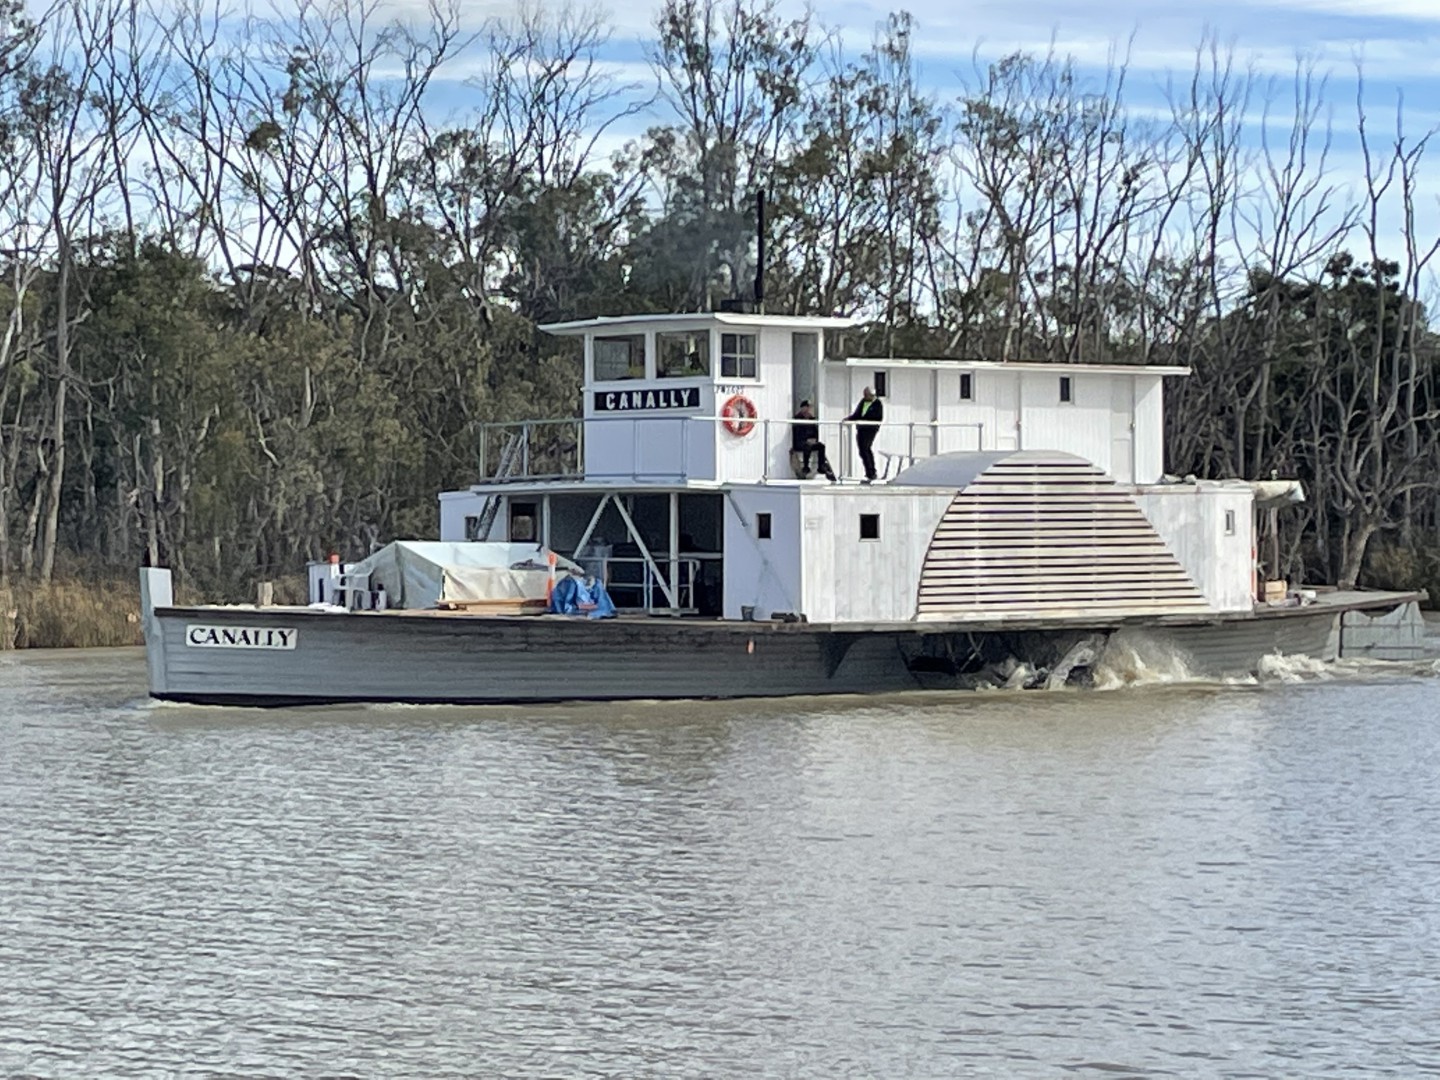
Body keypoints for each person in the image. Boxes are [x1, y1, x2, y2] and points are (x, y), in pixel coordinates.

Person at [791, 400, 836, 481]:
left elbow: (815, 431)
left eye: (809, 407)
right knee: (807, 446)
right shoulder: (797, 418)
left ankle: (821, 466)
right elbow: (797, 432)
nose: (808, 409)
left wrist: (814, 439)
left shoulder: (811, 419)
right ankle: (806, 467)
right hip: (800, 442)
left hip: (810, 441)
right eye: (807, 407)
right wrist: (806, 439)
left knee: (821, 446)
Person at [846, 386, 884, 483]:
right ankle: (869, 472)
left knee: (866, 448)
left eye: (867, 395)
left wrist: (863, 420)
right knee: (862, 451)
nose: (865, 396)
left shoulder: (877, 404)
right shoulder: (863, 402)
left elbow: (877, 417)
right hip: (861, 429)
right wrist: (848, 419)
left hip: (870, 430)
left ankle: (871, 472)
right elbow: (857, 414)